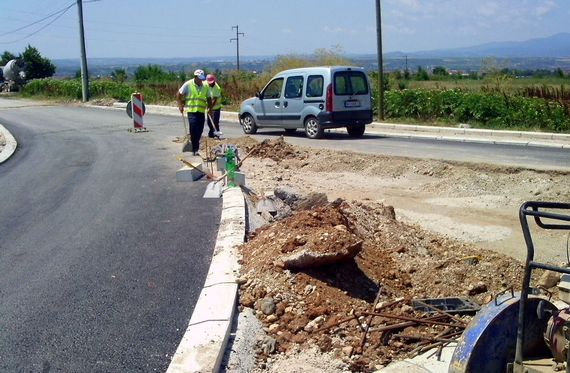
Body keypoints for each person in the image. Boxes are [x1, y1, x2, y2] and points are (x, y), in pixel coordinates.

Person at [176, 69, 211, 156]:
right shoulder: (188, 84)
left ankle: (195, 145)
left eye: (202, 79)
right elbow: (179, 94)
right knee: (193, 129)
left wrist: (210, 108)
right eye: (199, 78)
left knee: (200, 130)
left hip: (201, 111)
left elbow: (209, 98)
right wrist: (180, 105)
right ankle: (195, 148)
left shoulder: (205, 86)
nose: (201, 80)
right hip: (191, 112)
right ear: (195, 77)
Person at [205, 73, 223, 138]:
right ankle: (211, 133)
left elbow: (214, 100)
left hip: (216, 108)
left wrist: (210, 108)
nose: (210, 84)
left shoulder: (217, 88)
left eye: (211, 82)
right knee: (209, 122)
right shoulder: (206, 85)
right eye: (209, 82)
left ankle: (216, 134)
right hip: (210, 107)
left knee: (215, 122)